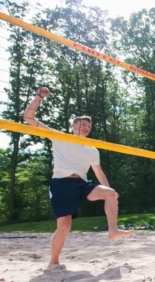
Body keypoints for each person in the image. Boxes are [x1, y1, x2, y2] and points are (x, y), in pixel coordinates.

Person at [23, 87, 134, 272]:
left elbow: (99, 173)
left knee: (110, 194)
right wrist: (38, 97)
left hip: (82, 184)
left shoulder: (92, 149)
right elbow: (28, 119)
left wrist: (110, 191)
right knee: (64, 227)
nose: (86, 127)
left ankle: (113, 230)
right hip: (61, 184)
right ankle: (54, 262)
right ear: (73, 125)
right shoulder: (59, 137)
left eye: (88, 126)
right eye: (82, 124)